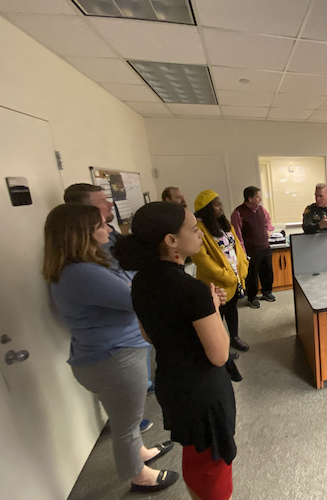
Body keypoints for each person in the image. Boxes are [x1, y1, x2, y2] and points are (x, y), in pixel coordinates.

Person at [43, 204, 178, 494]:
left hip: (106, 354)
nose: (109, 229)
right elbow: (136, 298)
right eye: (102, 226)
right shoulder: (81, 273)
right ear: (83, 234)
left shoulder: (84, 267)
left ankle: (139, 453)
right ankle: (139, 476)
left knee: (124, 418)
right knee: (127, 423)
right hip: (114, 358)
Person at [114, 202, 237, 500]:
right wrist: (213, 308)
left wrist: (208, 307)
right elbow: (219, 355)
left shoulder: (140, 281)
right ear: (171, 241)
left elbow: (148, 333)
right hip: (203, 390)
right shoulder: (191, 289)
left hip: (172, 382)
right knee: (214, 461)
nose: (199, 235)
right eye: (193, 230)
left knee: (195, 451)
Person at [65, 183, 156, 410]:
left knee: (129, 402)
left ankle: (142, 387)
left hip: (125, 339)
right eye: (101, 201)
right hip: (113, 349)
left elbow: (127, 275)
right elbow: (130, 296)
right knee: (126, 420)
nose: (109, 204)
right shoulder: (83, 269)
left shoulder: (106, 239)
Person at [192, 190, 250, 352]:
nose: (221, 207)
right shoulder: (199, 230)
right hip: (216, 283)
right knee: (217, 316)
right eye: (216, 204)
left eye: (220, 204)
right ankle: (219, 348)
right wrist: (225, 276)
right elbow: (203, 261)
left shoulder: (225, 225)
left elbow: (237, 247)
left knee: (232, 309)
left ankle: (234, 338)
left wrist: (243, 267)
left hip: (234, 279)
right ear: (206, 208)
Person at [231, 186, 275, 309]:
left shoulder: (261, 209)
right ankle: (252, 298)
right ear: (250, 198)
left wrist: (268, 230)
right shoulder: (238, 213)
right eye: (257, 196)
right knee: (252, 276)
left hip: (265, 247)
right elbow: (237, 235)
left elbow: (268, 220)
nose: (260, 199)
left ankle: (267, 292)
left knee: (267, 272)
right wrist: (242, 253)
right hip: (251, 250)